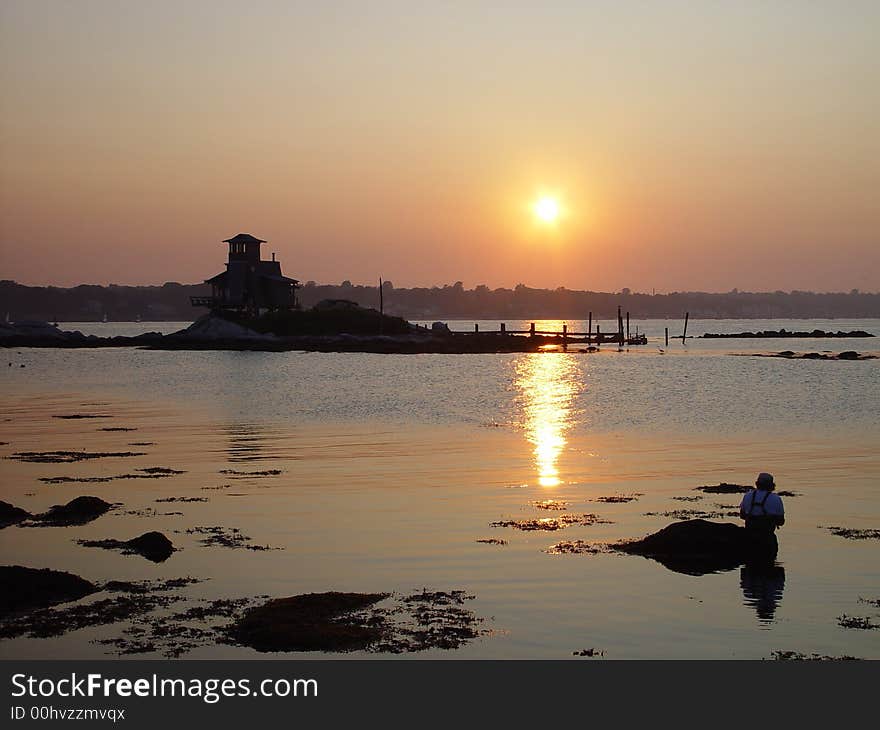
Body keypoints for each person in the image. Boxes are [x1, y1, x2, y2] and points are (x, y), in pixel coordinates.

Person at [739, 472, 785, 558]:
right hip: (767, 540)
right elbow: (781, 522)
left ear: (757, 484)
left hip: (749, 539)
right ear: (772, 485)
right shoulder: (776, 499)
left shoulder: (747, 496)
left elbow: (742, 515)